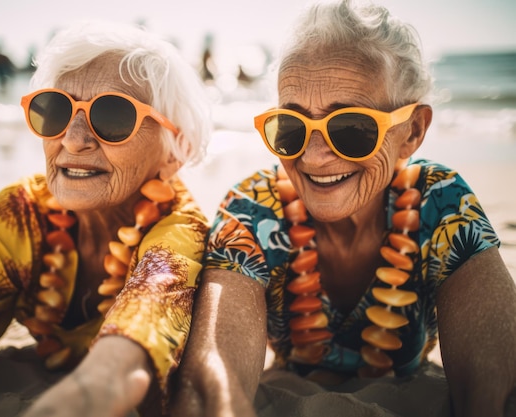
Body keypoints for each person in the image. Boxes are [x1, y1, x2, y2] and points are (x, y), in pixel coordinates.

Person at [171, 1, 516, 417]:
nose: (314, 158)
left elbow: (500, 384)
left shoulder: (441, 202)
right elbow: (213, 380)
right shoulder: (252, 210)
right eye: (291, 127)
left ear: (412, 132)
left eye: (352, 128)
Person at [0, 20, 211, 417]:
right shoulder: (21, 212)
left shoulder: (179, 229)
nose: (73, 139)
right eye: (55, 109)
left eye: (113, 116)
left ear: (174, 150)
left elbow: (136, 340)